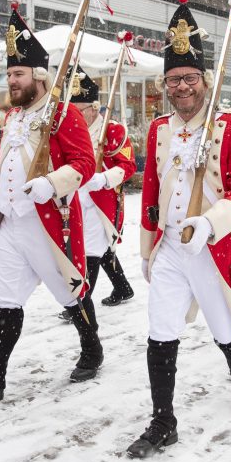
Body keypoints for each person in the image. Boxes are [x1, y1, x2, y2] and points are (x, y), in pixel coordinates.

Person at [128, 0, 231, 458]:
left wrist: (211, 222)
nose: (181, 87)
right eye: (173, 79)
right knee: (161, 330)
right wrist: (146, 247)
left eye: (189, 78)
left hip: (212, 248)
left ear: (204, 80)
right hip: (168, 250)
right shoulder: (160, 128)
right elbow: (151, 192)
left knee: (226, 329)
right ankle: (164, 420)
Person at [0, 0, 100, 401]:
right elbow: (3, 167)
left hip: (49, 225)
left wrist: (52, 183)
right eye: (9, 73)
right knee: (5, 303)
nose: (12, 81)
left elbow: (84, 163)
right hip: (13, 224)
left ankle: (92, 348)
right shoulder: (12, 117)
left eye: (20, 73)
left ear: (40, 76)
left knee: (71, 292)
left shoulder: (63, 114)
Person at [64, 65, 136, 315]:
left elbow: (128, 166)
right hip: (76, 199)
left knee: (91, 250)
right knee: (102, 249)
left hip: (101, 201)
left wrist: (104, 178)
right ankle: (123, 287)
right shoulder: (69, 130)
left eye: (78, 110)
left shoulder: (112, 130)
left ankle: (81, 302)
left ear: (94, 107)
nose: (73, 115)